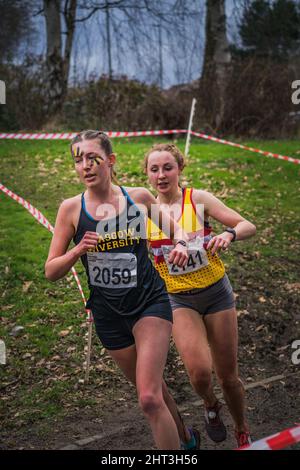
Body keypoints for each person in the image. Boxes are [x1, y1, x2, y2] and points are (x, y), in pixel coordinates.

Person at [45, 130, 200, 450]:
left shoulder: (138, 198)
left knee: (147, 398)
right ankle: (186, 440)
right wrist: (77, 252)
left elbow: (179, 231)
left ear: (110, 161)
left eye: (92, 158)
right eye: (78, 160)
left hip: (148, 304)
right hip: (108, 314)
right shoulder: (71, 209)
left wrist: (183, 244)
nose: (85, 166)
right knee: (154, 391)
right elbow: (50, 272)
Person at [145, 143, 256, 448]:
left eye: (168, 167)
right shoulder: (145, 214)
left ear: (179, 168)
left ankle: (242, 427)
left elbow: (248, 225)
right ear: (147, 175)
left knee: (228, 377)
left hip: (216, 293)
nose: (161, 175)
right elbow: (137, 262)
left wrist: (228, 234)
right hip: (178, 300)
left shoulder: (198, 199)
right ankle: (209, 405)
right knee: (199, 374)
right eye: (154, 169)